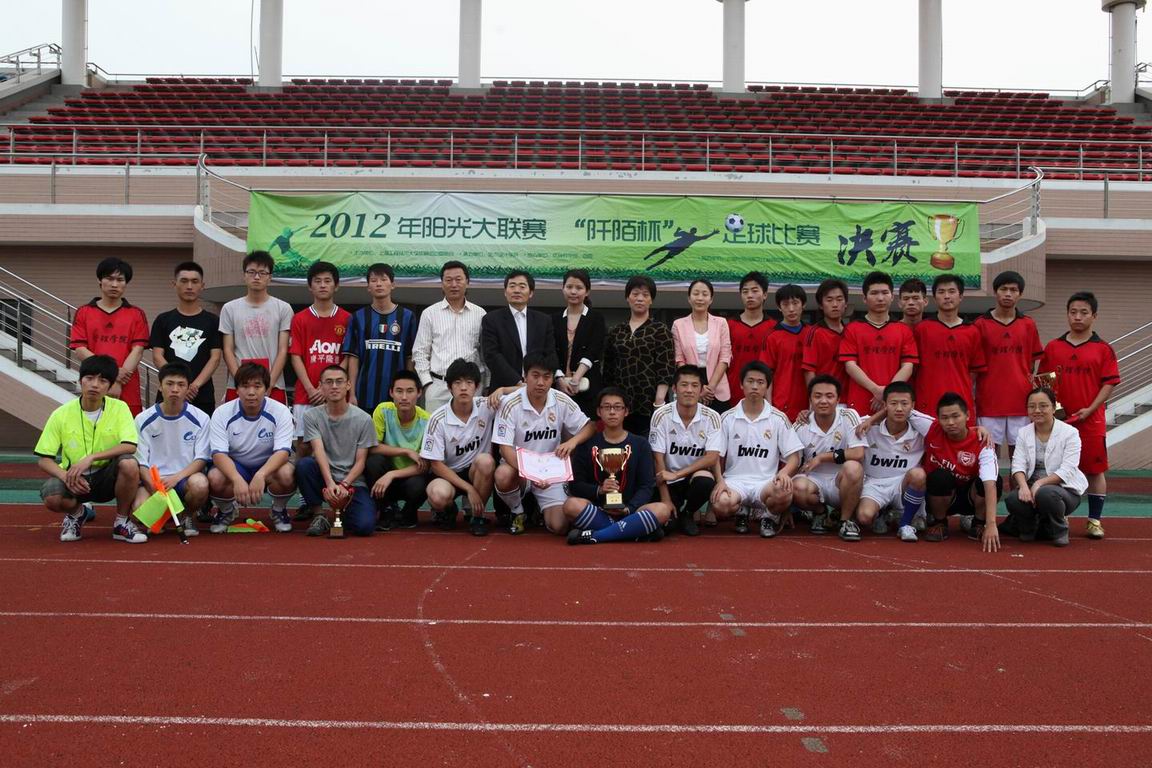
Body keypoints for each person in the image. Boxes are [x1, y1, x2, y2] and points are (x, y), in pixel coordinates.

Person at [34, 354, 147, 544]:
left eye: (102, 381)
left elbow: (130, 445)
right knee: (52, 496)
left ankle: (121, 522)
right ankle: (78, 514)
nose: (95, 385)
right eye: (89, 378)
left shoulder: (120, 408)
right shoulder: (60, 414)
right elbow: (44, 459)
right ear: (80, 381)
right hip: (74, 478)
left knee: (129, 463)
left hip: (108, 477)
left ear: (110, 386)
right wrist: (65, 477)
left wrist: (91, 457)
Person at [1039, 292, 1120, 540]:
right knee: (1056, 469)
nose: (1078, 317)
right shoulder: (1053, 347)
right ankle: (1060, 516)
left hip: (1091, 422)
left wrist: (1091, 409)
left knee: (1095, 470)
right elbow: (1045, 382)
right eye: (1073, 312)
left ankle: (1094, 520)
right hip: (1059, 422)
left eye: (1084, 312)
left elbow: (1109, 383)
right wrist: (1055, 411)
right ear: (1067, 314)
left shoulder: (1103, 349)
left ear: (1094, 316)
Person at [493, 351, 597, 534]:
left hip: (551, 470)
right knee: (503, 475)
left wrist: (572, 442)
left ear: (552, 379)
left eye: (546, 377)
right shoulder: (510, 403)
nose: (541, 382)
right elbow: (505, 448)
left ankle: (541, 511)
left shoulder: (560, 399)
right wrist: (532, 473)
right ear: (525, 376)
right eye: (535, 376)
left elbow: (589, 427)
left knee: (560, 526)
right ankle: (518, 511)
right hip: (520, 469)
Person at [564, 388, 673, 545]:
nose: (612, 412)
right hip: (598, 510)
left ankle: (597, 536)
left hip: (632, 512)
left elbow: (646, 486)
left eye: (617, 407)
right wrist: (599, 490)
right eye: (607, 407)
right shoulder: (587, 445)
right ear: (599, 412)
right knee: (570, 505)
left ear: (626, 411)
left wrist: (628, 508)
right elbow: (575, 485)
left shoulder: (640, 444)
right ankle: (633, 531)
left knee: (662, 510)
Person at [710, 361, 803, 538]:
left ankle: (770, 517)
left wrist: (784, 473)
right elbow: (715, 455)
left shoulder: (778, 418)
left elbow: (794, 457)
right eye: (750, 381)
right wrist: (720, 481)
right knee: (721, 504)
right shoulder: (727, 417)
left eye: (760, 382)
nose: (754, 386)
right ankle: (741, 512)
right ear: (741, 384)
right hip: (735, 482)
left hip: (766, 483)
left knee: (784, 491)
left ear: (767, 386)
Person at [207, 362, 297, 533]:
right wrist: (236, 478)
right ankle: (226, 510)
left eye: (257, 386)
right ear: (237, 389)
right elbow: (218, 455)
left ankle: (278, 509)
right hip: (237, 465)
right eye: (245, 386)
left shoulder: (281, 411)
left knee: (288, 473)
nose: (251, 392)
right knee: (215, 477)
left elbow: (283, 452)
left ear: (266, 389)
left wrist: (261, 474)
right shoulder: (222, 413)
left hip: (267, 465)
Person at [297, 365, 378, 538]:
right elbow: (318, 450)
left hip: (353, 482)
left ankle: (344, 512)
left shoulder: (364, 419)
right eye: (329, 382)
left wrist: (344, 485)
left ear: (348, 385)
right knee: (304, 465)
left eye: (339, 381)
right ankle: (319, 515)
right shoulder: (311, 416)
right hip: (325, 477)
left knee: (365, 527)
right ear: (320, 386)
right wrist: (330, 484)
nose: (334, 386)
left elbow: (361, 461)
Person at [420, 359, 498, 537]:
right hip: (448, 475)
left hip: (475, 473)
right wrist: (469, 489)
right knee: (437, 495)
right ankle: (448, 510)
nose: (463, 388)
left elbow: (520, 394)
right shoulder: (437, 419)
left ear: (477, 387)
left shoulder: (486, 406)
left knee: (486, 461)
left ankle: (477, 517)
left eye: (469, 382)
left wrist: (502, 390)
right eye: (457, 383)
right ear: (449, 387)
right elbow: (436, 465)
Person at [132, 362, 211, 537]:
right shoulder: (142, 419)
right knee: (139, 510)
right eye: (169, 384)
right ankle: (165, 513)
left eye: (181, 385)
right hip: (154, 482)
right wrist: (155, 488)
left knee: (200, 484)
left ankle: (187, 516)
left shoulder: (201, 418)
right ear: (160, 386)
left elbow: (201, 459)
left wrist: (176, 478)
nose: (175, 389)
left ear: (188, 388)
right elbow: (141, 462)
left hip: (183, 480)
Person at [1003, 387, 1087, 547]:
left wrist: (1039, 484)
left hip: (1063, 490)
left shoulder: (1070, 433)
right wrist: (1023, 487)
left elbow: (1068, 470)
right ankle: (1028, 528)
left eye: (1043, 406)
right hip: (1032, 488)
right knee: (1013, 499)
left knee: (1046, 494)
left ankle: (1059, 530)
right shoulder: (1023, 432)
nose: (1037, 410)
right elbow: (1017, 464)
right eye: (1031, 406)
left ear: (1054, 408)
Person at [973, 271, 1044, 459]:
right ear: (995, 292)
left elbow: (1031, 363)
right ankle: (991, 482)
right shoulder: (979, 325)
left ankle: (1018, 481)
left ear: (1020, 294)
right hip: (989, 401)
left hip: (1021, 401)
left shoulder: (1028, 324)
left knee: (1020, 455)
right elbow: (974, 366)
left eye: (1013, 290)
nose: (1008, 294)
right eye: (1003, 289)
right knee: (988, 454)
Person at [69, 257, 149, 415]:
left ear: (126, 283)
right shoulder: (84, 312)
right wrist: (110, 375)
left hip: (127, 386)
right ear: (99, 280)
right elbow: (80, 349)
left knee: (128, 427)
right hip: (94, 385)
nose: (114, 284)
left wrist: (117, 381)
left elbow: (138, 350)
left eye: (120, 280)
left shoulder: (136, 314)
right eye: (109, 278)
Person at [922, 392, 1001, 552]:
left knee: (995, 480)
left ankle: (978, 524)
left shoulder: (982, 442)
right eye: (944, 418)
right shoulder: (931, 427)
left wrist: (991, 524)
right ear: (938, 419)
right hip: (943, 495)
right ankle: (939, 523)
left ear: (967, 415)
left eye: (956, 416)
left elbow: (990, 483)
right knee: (939, 477)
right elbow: (901, 408)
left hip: (970, 498)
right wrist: (872, 420)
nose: (950, 422)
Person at [792, 375, 867, 541]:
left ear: (838, 399)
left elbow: (858, 453)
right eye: (817, 396)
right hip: (814, 480)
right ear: (810, 399)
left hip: (841, 481)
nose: (823, 401)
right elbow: (793, 463)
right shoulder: (800, 424)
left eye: (829, 396)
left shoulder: (848, 415)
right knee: (796, 486)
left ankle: (845, 521)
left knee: (853, 467)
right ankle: (820, 513)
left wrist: (822, 458)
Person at [649, 365, 722, 537]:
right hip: (666, 480)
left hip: (691, 478)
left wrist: (678, 474)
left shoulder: (712, 416)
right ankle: (674, 512)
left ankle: (688, 513)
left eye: (694, 385)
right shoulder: (661, 415)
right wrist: (666, 500)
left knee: (705, 481)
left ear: (701, 390)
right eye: (684, 385)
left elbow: (712, 457)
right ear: (674, 389)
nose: (689, 390)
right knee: (666, 527)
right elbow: (658, 459)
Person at [289, 261, 351, 453]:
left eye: (327, 281)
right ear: (310, 286)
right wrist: (311, 389)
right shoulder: (299, 318)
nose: (323, 285)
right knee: (304, 446)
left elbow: (348, 357)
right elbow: (296, 356)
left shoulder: (347, 319)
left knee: (338, 446)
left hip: (337, 393)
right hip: (306, 395)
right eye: (317, 281)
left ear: (336, 285)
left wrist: (328, 387)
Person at [602, 275, 676, 437]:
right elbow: (608, 369)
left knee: (647, 446)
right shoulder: (616, 331)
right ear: (627, 298)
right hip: (620, 404)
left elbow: (666, 368)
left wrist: (659, 401)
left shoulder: (660, 330)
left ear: (651, 300)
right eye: (635, 294)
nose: (640, 298)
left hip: (648, 403)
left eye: (645, 295)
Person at [855, 381, 928, 543]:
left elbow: (947, 427)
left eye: (904, 404)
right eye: (893, 403)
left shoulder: (921, 429)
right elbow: (838, 421)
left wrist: (978, 429)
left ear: (913, 406)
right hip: (875, 483)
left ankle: (905, 524)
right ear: (884, 405)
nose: (899, 408)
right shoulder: (867, 425)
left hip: (903, 484)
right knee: (864, 517)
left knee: (919, 474)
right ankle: (884, 513)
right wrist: (807, 415)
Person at [412, 260, 487, 413]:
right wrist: (427, 384)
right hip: (438, 386)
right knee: (436, 427)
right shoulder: (429, 314)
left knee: (471, 427)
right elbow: (420, 352)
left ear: (467, 282)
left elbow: (486, 354)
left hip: (471, 387)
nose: (454, 284)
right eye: (448, 280)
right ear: (442, 284)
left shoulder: (480, 314)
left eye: (458, 279)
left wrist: (486, 384)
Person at [840, 271, 918, 416]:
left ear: (892, 296)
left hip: (894, 406)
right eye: (874, 293)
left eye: (885, 293)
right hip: (859, 406)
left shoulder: (903, 330)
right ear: (864, 298)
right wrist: (876, 390)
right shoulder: (853, 328)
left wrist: (888, 392)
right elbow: (850, 366)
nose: (880, 298)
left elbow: (908, 366)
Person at [343, 262, 418, 415]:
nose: (379, 284)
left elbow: (410, 357)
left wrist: (409, 391)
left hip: (398, 396)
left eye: (383, 279)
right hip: (365, 393)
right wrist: (352, 394)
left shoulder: (407, 317)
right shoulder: (358, 317)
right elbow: (353, 358)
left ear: (393, 284)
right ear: (368, 287)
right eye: (374, 280)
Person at [149, 261, 222, 415]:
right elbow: (157, 356)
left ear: (202, 285)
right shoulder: (163, 320)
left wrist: (193, 386)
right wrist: (178, 383)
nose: (189, 286)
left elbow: (215, 358)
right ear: (174, 284)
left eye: (194, 281)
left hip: (202, 394)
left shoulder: (213, 321)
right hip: (169, 394)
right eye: (184, 281)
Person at [219, 251, 293, 403]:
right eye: (251, 272)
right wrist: (241, 382)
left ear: (270, 277)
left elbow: (283, 350)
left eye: (262, 273)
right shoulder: (229, 308)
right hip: (237, 385)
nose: (257, 277)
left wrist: (269, 383)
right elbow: (227, 349)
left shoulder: (283, 308)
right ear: (244, 275)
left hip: (274, 385)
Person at [913, 274, 987, 421]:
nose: (946, 296)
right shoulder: (922, 329)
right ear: (935, 298)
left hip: (961, 403)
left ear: (961, 297)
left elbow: (974, 372)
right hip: (927, 404)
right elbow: (913, 368)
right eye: (941, 292)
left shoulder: (972, 331)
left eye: (952, 291)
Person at [366, 371, 431, 530]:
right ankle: (385, 509)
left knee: (421, 482)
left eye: (410, 391)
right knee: (373, 462)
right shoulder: (383, 411)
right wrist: (406, 451)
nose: (404, 397)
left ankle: (409, 511)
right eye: (399, 391)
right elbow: (373, 447)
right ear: (391, 393)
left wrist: (392, 474)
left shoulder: (427, 421)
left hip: (410, 476)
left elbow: (425, 464)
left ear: (419, 393)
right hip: (385, 474)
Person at [481, 270, 552, 393]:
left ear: (531, 293)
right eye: (512, 286)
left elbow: (550, 354)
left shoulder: (544, 320)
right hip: (503, 389)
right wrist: (518, 382)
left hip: (538, 388)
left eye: (522, 286)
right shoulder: (491, 319)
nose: (516, 290)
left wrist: (535, 381)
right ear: (505, 292)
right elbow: (492, 355)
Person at [553, 268, 607, 418]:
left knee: (588, 424)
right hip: (559, 387)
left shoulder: (596, 318)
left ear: (587, 291)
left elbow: (594, 350)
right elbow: (551, 351)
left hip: (587, 385)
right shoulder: (554, 319)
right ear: (563, 289)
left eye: (579, 288)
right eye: (569, 287)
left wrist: (576, 378)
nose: (573, 291)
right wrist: (559, 378)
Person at [672, 278, 733, 412]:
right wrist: (697, 387)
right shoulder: (678, 325)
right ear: (689, 298)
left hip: (717, 385)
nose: (700, 298)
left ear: (711, 299)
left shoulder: (721, 323)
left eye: (705, 294)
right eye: (696, 294)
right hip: (690, 383)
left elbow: (725, 357)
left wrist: (710, 387)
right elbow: (679, 359)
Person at [726, 271, 776, 404]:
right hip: (732, 394)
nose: (749, 295)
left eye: (754, 291)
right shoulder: (728, 325)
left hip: (764, 395)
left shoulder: (774, 327)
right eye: (745, 291)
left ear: (765, 294)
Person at [762, 284, 809, 421]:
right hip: (781, 406)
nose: (791, 309)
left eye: (795, 303)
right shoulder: (772, 337)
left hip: (809, 407)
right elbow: (767, 374)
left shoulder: (812, 334)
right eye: (786, 304)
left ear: (803, 305)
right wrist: (769, 408)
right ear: (779, 307)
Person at [802, 278, 850, 393]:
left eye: (839, 299)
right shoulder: (814, 333)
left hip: (848, 398)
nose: (835, 304)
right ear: (821, 305)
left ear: (846, 303)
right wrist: (815, 397)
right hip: (824, 397)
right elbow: (809, 371)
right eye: (829, 300)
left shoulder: (851, 332)